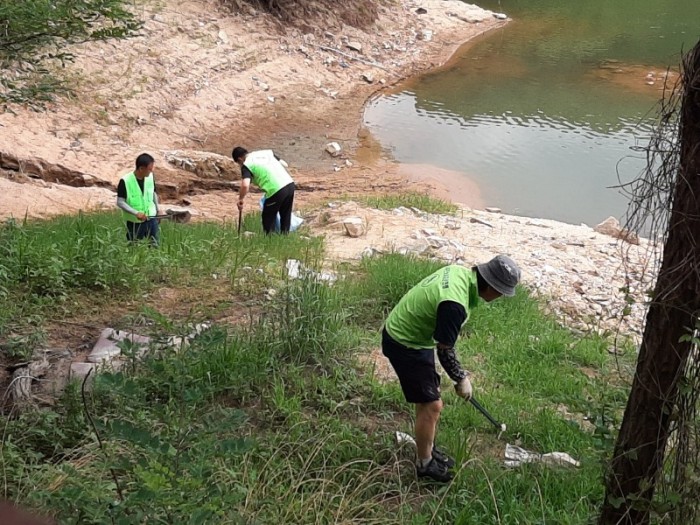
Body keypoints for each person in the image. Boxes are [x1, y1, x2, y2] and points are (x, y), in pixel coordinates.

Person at [382, 255, 521, 482]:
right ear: (492, 286)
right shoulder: (454, 305)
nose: (500, 297)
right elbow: (445, 349)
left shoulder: (460, 273)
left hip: (416, 336)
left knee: (427, 399)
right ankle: (425, 464)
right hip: (404, 342)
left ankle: (426, 447)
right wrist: (461, 379)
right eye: (501, 292)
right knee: (432, 405)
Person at [232, 146, 296, 234]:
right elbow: (284, 164)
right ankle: (284, 237)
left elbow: (245, 185)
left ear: (239, 159)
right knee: (285, 215)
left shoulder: (246, 165)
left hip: (275, 189)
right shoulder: (265, 153)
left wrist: (241, 199)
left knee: (268, 218)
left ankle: (270, 240)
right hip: (290, 184)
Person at [116, 153, 161, 245]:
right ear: (141, 169)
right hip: (135, 222)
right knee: (134, 247)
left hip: (151, 219)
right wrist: (136, 213)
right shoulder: (125, 181)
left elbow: (153, 193)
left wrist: (157, 209)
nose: (151, 171)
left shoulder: (150, 177)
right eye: (149, 169)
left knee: (154, 245)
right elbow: (120, 202)